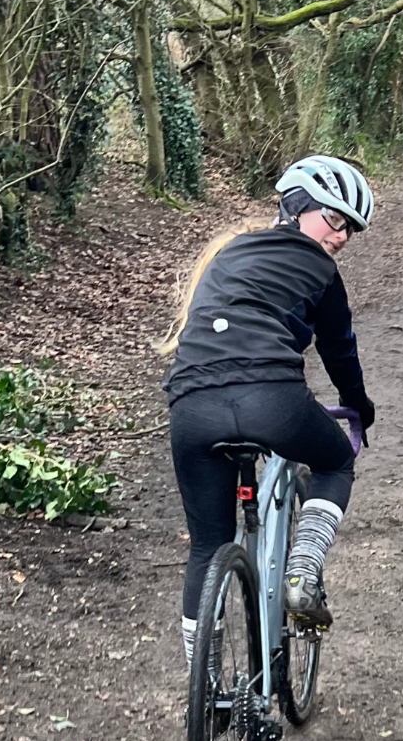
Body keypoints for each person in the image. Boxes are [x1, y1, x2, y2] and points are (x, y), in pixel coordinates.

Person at [156, 155, 377, 667]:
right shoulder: (321, 270)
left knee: (207, 549)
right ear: (297, 206)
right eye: (336, 219)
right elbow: (339, 349)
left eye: (351, 229)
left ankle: (205, 687)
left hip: (190, 409)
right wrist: (358, 406)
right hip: (271, 401)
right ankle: (303, 570)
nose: (342, 236)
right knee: (334, 461)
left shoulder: (225, 255)